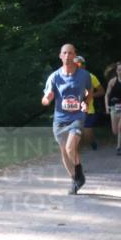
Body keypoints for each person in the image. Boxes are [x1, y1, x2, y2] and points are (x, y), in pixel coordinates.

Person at [42, 44, 92, 195]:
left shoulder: (84, 75)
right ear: (60, 56)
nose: (68, 56)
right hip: (60, 119)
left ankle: (79, 173)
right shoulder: (54, 77)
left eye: (71, 53)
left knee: (71, 148)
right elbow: (46, 97)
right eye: (65, 53)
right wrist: (47, 99)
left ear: (75, 55)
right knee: (64, 152)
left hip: (77, 117)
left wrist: (86, 102)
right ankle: (75, 180)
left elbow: (89, 92)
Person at [74, 56, 104, 151]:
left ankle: (91, 141)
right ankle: (76, 151)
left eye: (78, 64)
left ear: (84, 65)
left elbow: (101, 91)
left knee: (87, 133)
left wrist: (90, 96)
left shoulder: (91, 77)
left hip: (88, 109)